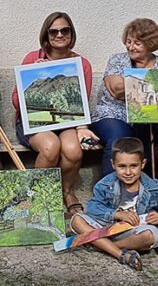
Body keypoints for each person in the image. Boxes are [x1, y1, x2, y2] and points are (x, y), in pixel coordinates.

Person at [90, 18, 158, 227]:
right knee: (119, 137)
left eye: (137, 43)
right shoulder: (118, 60)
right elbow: (116, 89)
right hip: (115, 114)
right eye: (129, 41)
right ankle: (113, 202)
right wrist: (154, 84)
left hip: (154, 119)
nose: (131, 47)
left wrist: (143, 86)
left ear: (151, 45)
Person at [11, 11, 99, 217]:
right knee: (51, 147)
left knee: (73, 150)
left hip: (67, 121)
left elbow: (81, 101)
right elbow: (16, 102)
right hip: (33, 123)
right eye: (54, 31)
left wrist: (82, 127)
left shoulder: (81, 63)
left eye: (65, 30)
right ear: (46, 34)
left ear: (71, 33)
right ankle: (36, 196)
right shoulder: (32, 58)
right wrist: (32, 77)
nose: (60, 35)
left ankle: (66, 191)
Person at [71, 137, 158, 271]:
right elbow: (92, 207)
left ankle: (103, 246)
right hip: (106, 228)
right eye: (122, 166)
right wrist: (116, 214)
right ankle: (120, 253)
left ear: (143, 163)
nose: (128, 172)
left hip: (131, 232)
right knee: (77, 220)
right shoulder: (105, 184)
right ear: (113, 164)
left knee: (151, 235)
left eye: (133, 166)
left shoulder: (152, 186)